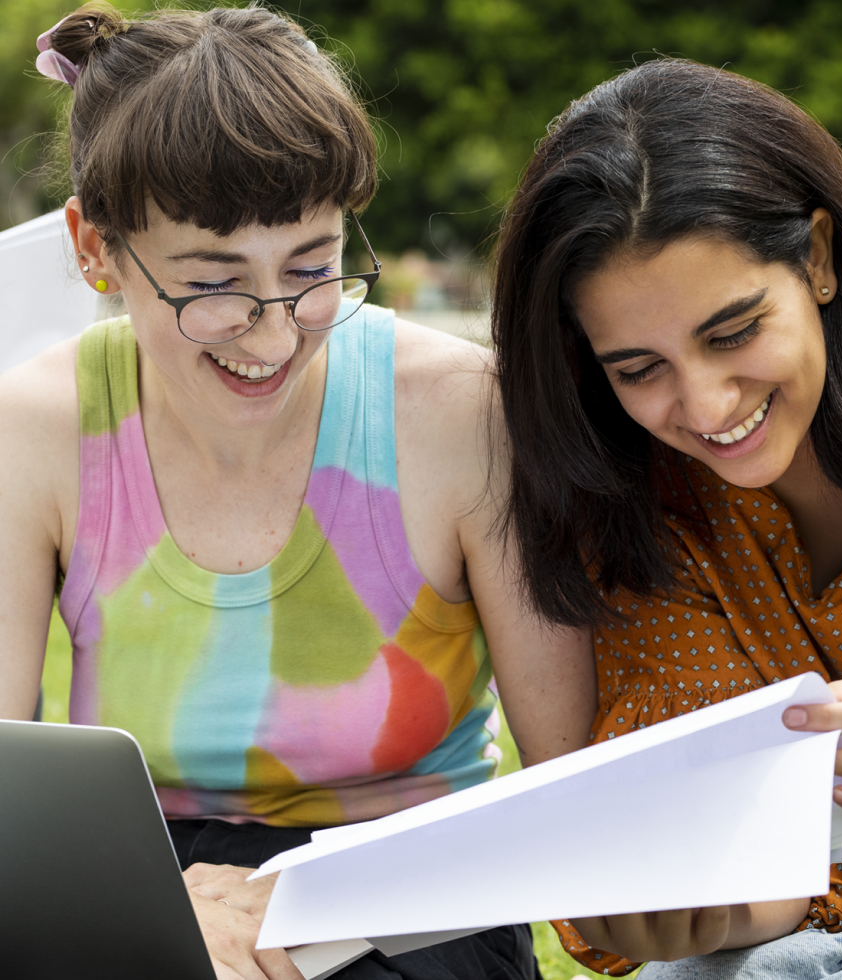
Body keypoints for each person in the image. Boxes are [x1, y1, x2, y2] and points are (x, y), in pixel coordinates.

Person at [0, 6, 595, 980]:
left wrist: (322, 897)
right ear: (94, 247)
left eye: (314, 267)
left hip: (417, 902)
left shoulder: (461, 412)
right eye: (211, 284)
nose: (272, 334)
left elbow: (570, 793)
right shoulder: (31, 430)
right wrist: (162, 901)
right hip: (155, 891)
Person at [492, 58, 842, 979]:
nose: (707, 406)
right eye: (639, 369)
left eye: (732, 333)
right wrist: (671, 909)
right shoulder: (629, 487)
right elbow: (762, 887)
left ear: (819, 259)